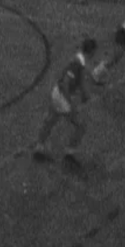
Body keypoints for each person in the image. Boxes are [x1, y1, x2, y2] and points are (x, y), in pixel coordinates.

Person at [33, 38, 98, 169]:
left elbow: (76, 80)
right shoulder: (78, 64)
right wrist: (71, 103)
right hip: (62, 97)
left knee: (51, 120)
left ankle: (39, 147)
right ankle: (69, 152)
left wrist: (84, 93)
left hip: (57, 93)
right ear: (91, 52)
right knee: (81, 125)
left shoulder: (79, 61)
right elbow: (66, 83)